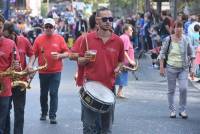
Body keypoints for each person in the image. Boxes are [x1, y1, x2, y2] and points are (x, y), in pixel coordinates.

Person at [73, 7, 124, 134]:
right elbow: (79, 60)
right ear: (97, 20)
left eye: (110, 19)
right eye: (105, 19)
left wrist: (118, 68)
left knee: (106, 129)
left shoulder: (118, 41)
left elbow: (121, 61)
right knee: (89, 128)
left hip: (109, 89)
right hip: (90, 88)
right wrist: (85, 59)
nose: (108, 22)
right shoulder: (87, 39)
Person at [33, 18, 69, 124]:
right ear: (44, 27)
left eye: (50, 27)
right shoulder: (38, 39)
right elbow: (33, 54)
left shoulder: (60, 39)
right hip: (43, 71)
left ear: (54, 28)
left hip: (56, 71)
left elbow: (67, 53)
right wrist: (30, 66)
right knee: (43, 94)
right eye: (46, 27)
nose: (48, 29)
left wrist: (59, 56)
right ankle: (44, 112)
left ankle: (52, 115)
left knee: (53, 93)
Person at [3, 21, 35, 134]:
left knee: (19, 111)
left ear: (13, 34)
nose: (5, 38)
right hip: (6, 82)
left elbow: (32, 54)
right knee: (5, 111)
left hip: (20, 81)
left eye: (7, 36)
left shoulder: (24, 40)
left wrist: (30, 65)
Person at [159, 20, 195, 119]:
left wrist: (192, 69)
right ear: (173, 29)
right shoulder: (168, 39)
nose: (179, 28)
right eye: (176, 27)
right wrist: (162, 67)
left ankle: (182, 110)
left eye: (180, 27)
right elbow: (162, 54)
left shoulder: (186, 39)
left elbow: (192, 55)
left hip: (183, 68)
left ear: (183, 28)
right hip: (171, 68)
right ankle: (172, 110)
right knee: (171, 90)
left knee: (184, 88)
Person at [0, 14, 20, 134]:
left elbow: (16, 63)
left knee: (1, 124)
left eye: (0, 26)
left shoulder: (10, 44)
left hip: (5, 89)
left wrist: (16, 66)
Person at [115, 24, 135, 98]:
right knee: (121, 76)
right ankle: (118, 93)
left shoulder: (123, 37)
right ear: (125, 31)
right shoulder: (126, 38)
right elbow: (124, 51)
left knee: (120, 76)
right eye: (130, 30)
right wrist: (130, 61)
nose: (132, 31)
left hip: (120, 61)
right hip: (123, 62)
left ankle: (119, 92)